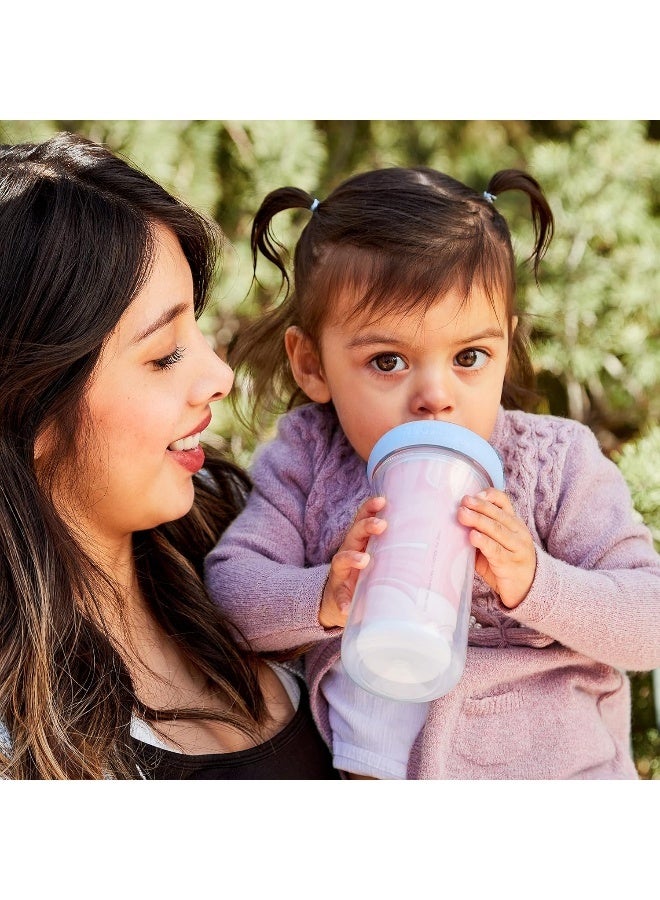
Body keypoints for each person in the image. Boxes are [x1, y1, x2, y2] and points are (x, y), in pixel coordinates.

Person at [205, 165, 660, 779]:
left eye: (470, 356)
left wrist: (536, 583)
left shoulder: (555, 462)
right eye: (388, 360)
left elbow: (648, 619)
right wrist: (322, 595)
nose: (435, 396)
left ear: (506, 346)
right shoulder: (309, 459)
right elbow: (231, 595)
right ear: (311, 364)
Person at [0, 132, 340, 780]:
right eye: (164, 355)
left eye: (199, 328)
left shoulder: (263, 542)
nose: (220, 375)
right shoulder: (23, 752)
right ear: (29, 406)